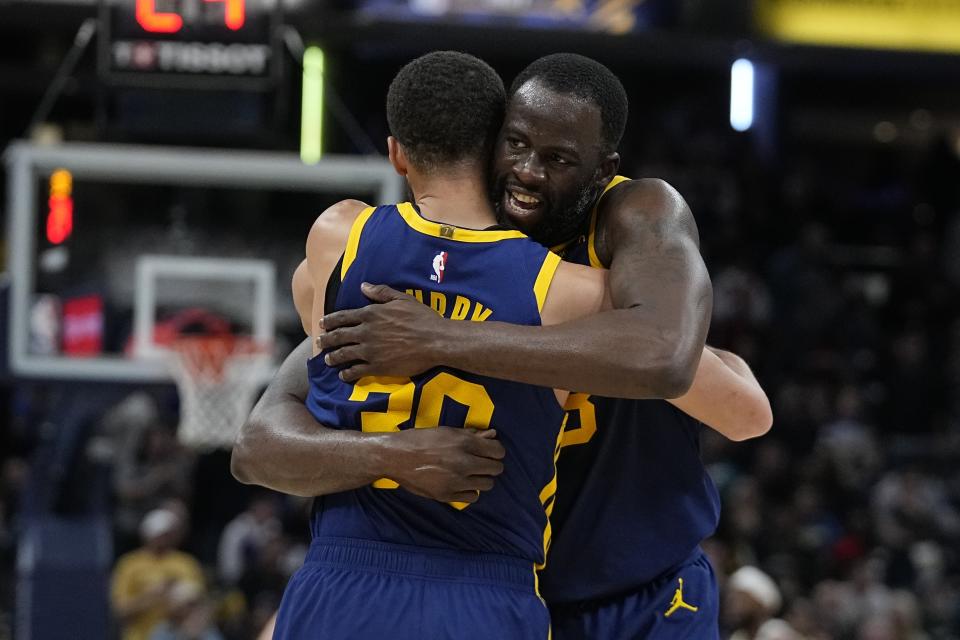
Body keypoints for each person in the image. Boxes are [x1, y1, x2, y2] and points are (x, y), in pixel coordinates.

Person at [234, 54, 771, 638]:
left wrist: (443, 338)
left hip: (635, 587)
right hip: (509, 587)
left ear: (602, 168)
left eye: (559, 159)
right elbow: (265, 435)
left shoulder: (623, 240)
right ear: (488, 141)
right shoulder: (403, 272)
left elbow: (739, 406)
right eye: (515, 145)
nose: (530, 171)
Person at [265, 51, 611, 639]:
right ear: (497, 147)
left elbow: (313, 334)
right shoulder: (568, 289)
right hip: (483, 591)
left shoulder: (338, 235)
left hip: (339, 581)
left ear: (397, 153)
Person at [110, 507, 205, 640]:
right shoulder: (129, 565)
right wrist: (151, 596)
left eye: (168, 534)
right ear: (146, 534)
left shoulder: (186, 563)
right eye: (159, 534)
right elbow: (120, 612)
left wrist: (177, 599)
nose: (163, 539)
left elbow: (200, 605)